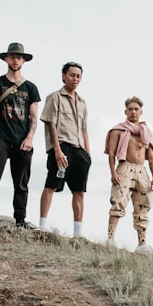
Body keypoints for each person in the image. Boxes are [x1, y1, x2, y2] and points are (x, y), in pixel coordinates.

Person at [0, 42, 41, 227]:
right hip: (0, 136)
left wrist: (30, 137)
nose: (15, 60)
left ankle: (20, 220)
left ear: (24, 60)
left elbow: (33, 116)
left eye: (19, 57)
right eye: (12, 56)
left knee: (21, 183)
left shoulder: (30, 87)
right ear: (6, 58)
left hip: (22, 139)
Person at [39, 62, 91, 237]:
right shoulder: (55, 97)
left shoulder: (83, 102)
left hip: (79, 150)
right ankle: (43, 226)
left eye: (78, 76)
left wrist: (87, 154)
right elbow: (50, 123)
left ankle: (78, 233)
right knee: (51, 184)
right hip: (62, 146)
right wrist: (57, 149)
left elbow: (84, 129)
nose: (75, 78)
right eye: (71, 75)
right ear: (63, 76)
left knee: (79, 191)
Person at [104, 96, 153, 252]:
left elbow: (152, 156)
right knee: (118, 202)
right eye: (130, 109)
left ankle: (142, 244)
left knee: (143, 206)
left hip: (142, 171)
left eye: (136, 109)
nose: (133, 112)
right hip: (124, 168)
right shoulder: (118, 130)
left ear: (141, 112)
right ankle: (110, 238)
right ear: (125, 111)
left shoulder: (146, 132)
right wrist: (113, 172)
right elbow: (111, 154)